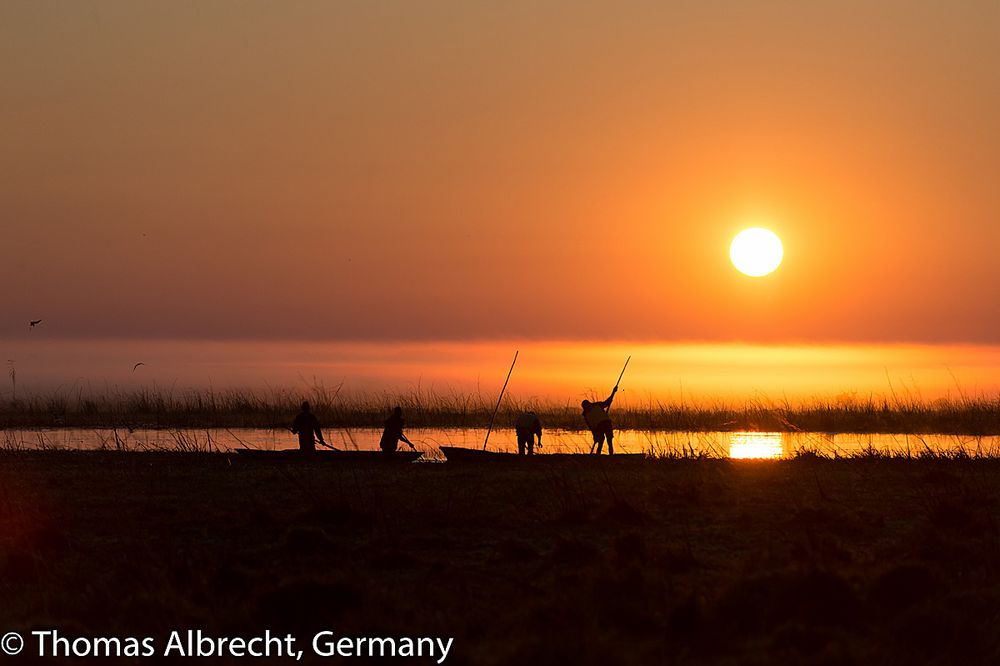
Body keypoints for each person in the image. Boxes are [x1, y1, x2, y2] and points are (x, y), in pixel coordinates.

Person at [582, 386, 617, 455]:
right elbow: (607, 402)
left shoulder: (593, 408)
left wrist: (613, 392)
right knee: (606, 441)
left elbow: (591, 427)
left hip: (604, 423)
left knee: (604, 440)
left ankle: (602, 456)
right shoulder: (590, 411)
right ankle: (605, 456)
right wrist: (613, 392)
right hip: (603, 424)